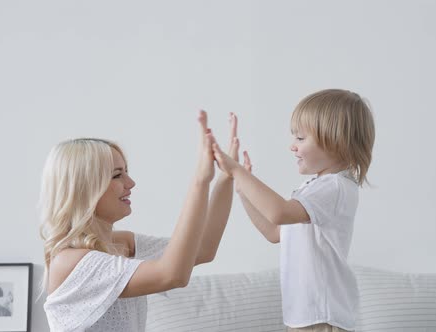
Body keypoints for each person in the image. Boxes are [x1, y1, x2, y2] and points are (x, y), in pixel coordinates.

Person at [39, 111, 240, 332]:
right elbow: (172, 275)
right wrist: (200, 180)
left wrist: (227, 175)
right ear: (84, 188)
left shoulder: (122, 244)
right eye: (117, 175)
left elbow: (202, 249)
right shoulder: (69, 262)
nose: (131, 182)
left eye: (126, 172)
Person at [211, 89, 375, 332]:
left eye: (300, 138)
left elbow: (279, 212)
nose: (292, 146)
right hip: (304, 316)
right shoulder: (315, 187)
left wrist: (237, 171)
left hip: (322, 318)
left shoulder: (335, 187)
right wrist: (243, 191)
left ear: (335, 141)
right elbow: (275, 231)